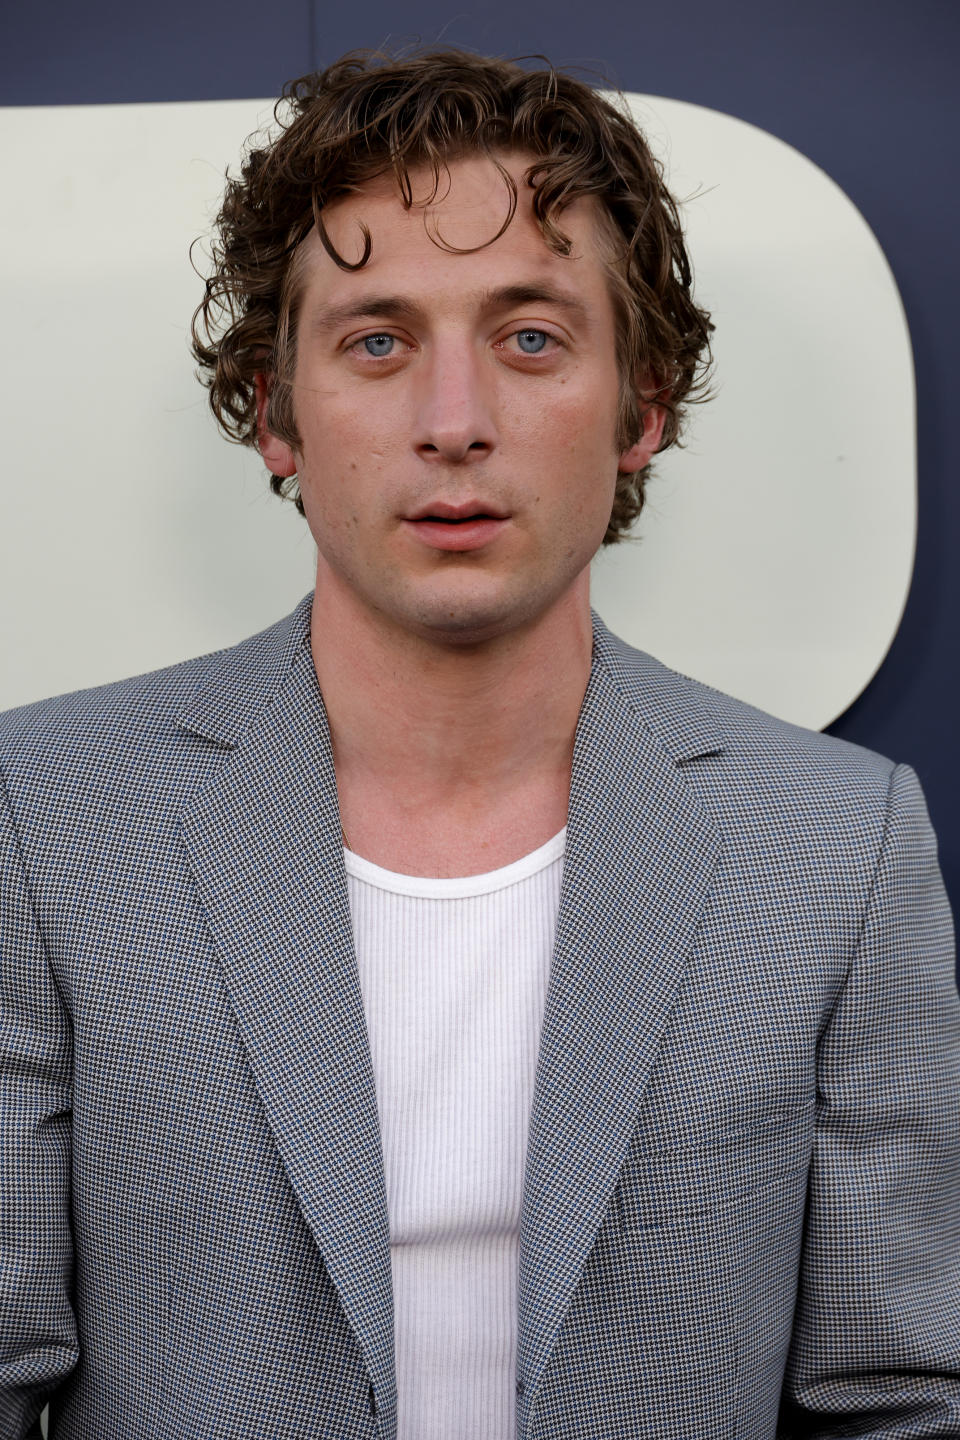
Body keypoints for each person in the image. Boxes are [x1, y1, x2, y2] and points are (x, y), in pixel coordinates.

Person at [1, 47, 958, 1440]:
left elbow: (897, 1402)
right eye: (378, 341)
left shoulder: (839, 850)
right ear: (276, 415)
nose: (455, 424)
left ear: (642, 411)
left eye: (529, 338)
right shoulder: (46, 818)